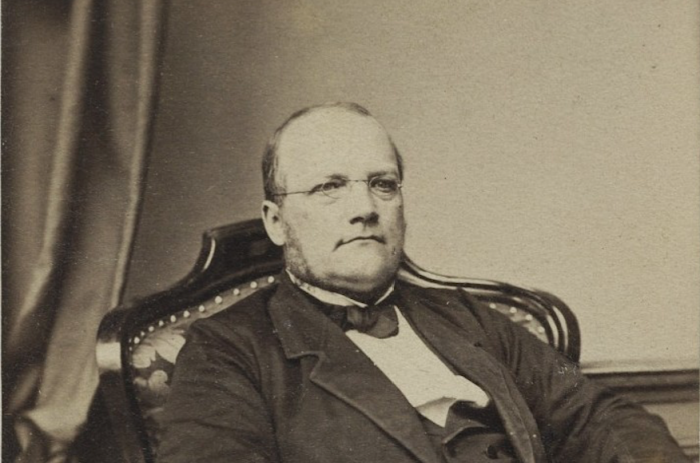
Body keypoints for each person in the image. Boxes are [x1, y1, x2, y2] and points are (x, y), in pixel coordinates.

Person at [157, 102, 689, 462]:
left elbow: (598, 414)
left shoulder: (465, 315)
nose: (365, 208)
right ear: (277, 222)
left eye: (382, 184)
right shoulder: (227, 349)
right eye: (329, 187)